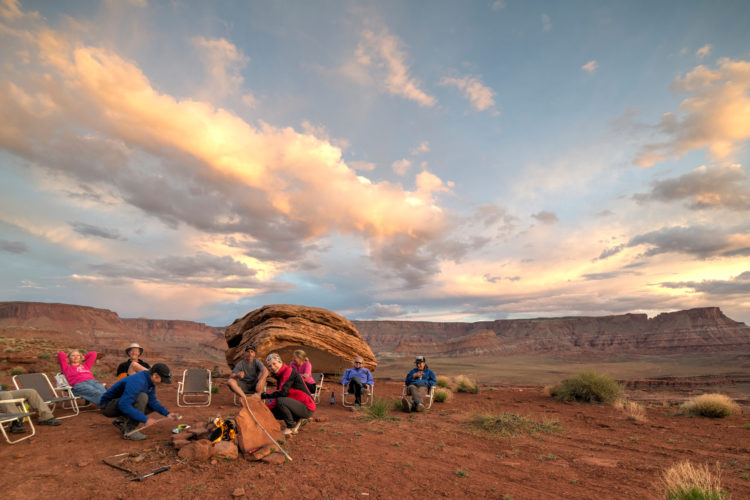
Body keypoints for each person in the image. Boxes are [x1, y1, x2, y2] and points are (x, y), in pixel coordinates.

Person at [99, 363, 181, 440]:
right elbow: (123, 405)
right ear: (155, 375)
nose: (162, 382)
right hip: (107, 406)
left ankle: (121, 420)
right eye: (162, 379)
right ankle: (130, 431)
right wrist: (145, 419)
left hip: (118, 403)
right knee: (142, 397)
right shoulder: (138, 381)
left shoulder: (150, 381)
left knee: (150, 402)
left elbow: (153, 401)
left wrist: (167, 414)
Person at [260, 353, 315, 436]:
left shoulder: (289, 371)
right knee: (273, 411)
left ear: (280, 362)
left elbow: (282, 393)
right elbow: (279, 395)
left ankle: (291, 427)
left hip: (307, 407)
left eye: (274, 364)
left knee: (280, 401)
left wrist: (263, 395)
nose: (273, 367)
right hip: (298, 405)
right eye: (270, 366)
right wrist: (266, 410)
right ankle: (299, 419)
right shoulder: (280, 375)